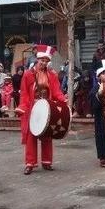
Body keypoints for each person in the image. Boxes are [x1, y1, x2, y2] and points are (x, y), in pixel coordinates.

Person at [18, 45, 66, 174]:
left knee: (47, 134)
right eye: (42, 60)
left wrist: (63, 100)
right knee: (31, 136)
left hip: (47, 107)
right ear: (37, 59)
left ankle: (46, 162)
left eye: (46, 61)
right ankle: (30, 163)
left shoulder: (52, 75)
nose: (44, 63)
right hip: (32, 108)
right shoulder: (28, 75)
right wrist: (23, 107)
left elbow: (56, 91)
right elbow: (24, 93)